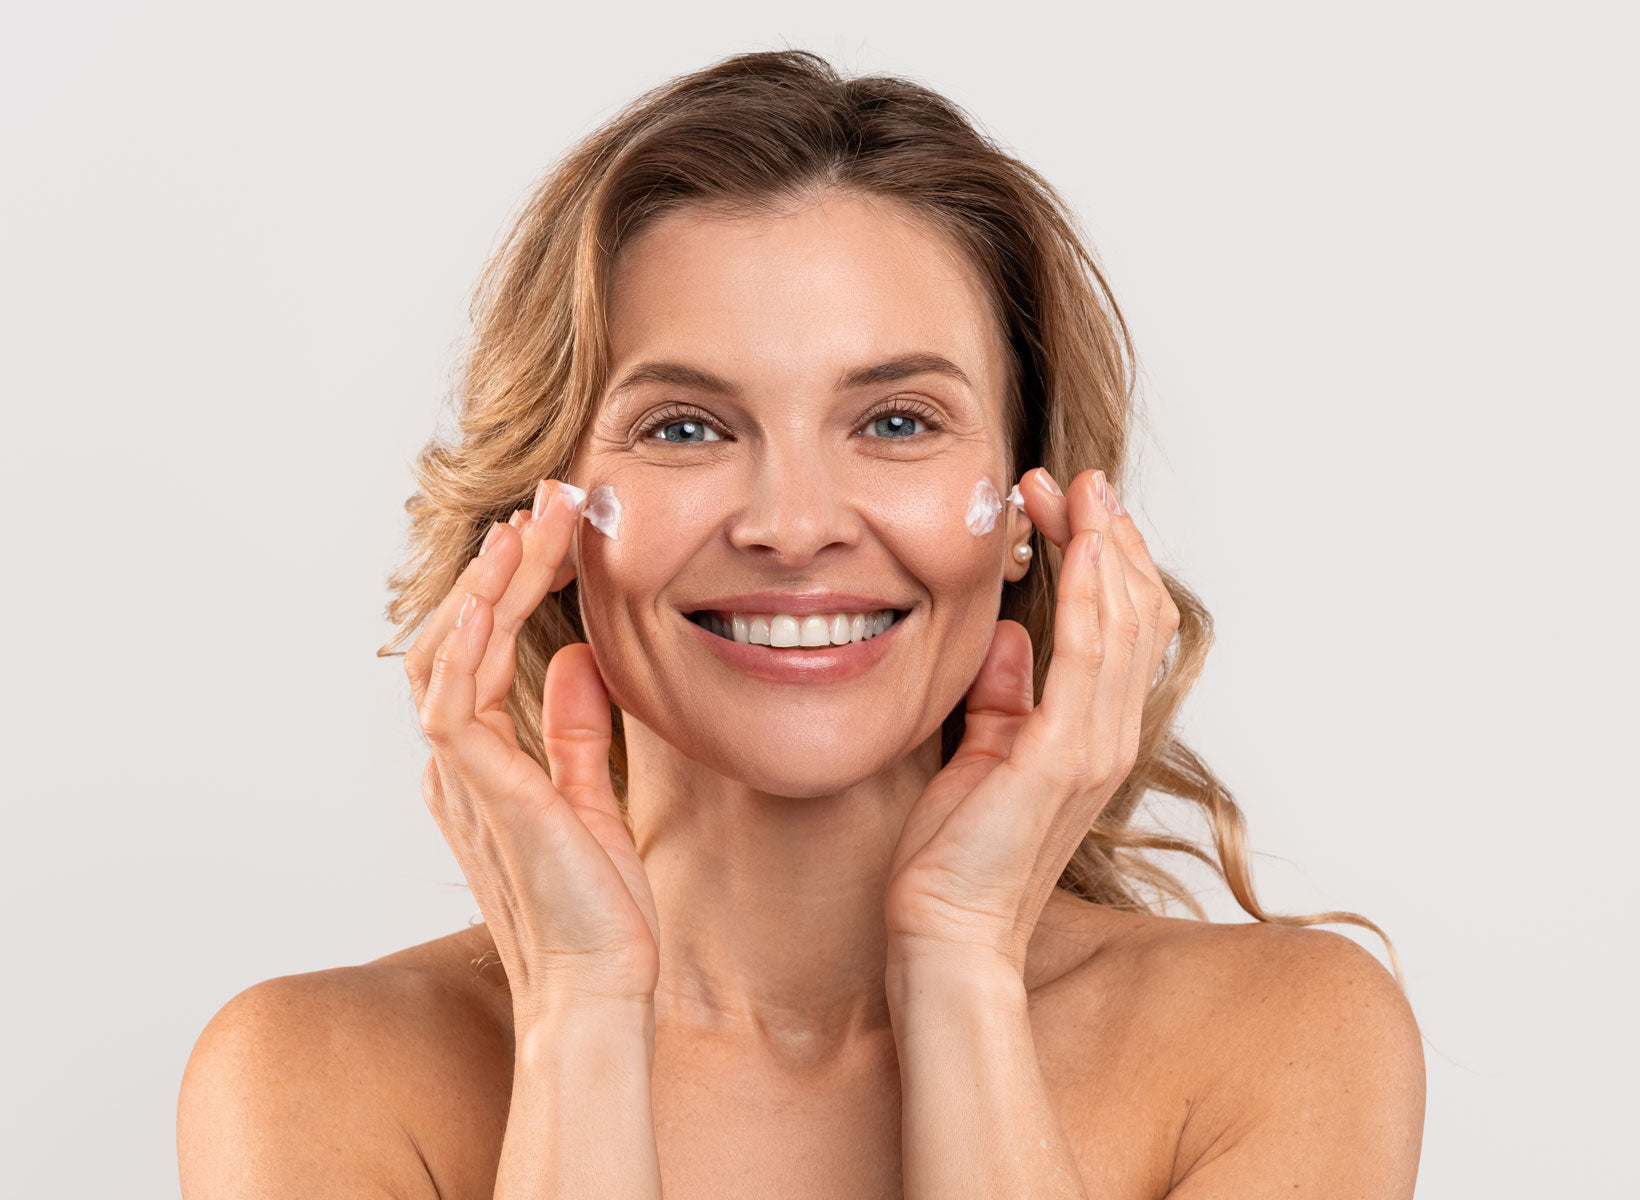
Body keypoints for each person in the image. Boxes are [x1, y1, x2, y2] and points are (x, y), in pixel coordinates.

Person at [177, 49, 1425, 1198]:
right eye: (683, 427)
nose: (792, 523)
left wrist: (959, 965)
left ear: (1027, 511)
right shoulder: (313, 1079)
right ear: (544, 517)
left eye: (894, 422)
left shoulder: (1281, 1040)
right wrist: (580, 1018)